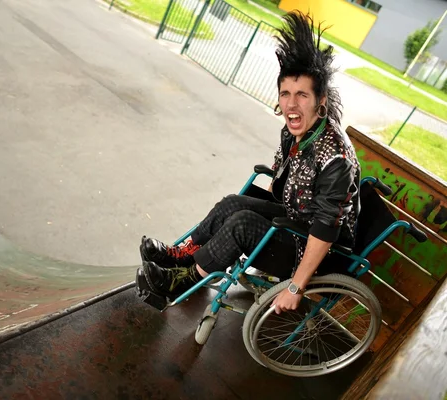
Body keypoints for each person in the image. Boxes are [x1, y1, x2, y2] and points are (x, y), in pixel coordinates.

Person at [135, 11, 361, 315]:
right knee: (232, 205)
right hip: (296, 219)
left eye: (302, 95)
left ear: (321, 101)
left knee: (242, 224)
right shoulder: (295, 130)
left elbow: (325, 232)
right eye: (286, 94)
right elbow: (282, 171)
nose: (292, 104)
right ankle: (183, 256)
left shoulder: (336, 158)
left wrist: (295, 286)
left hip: (320, 250)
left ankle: (183, 280)